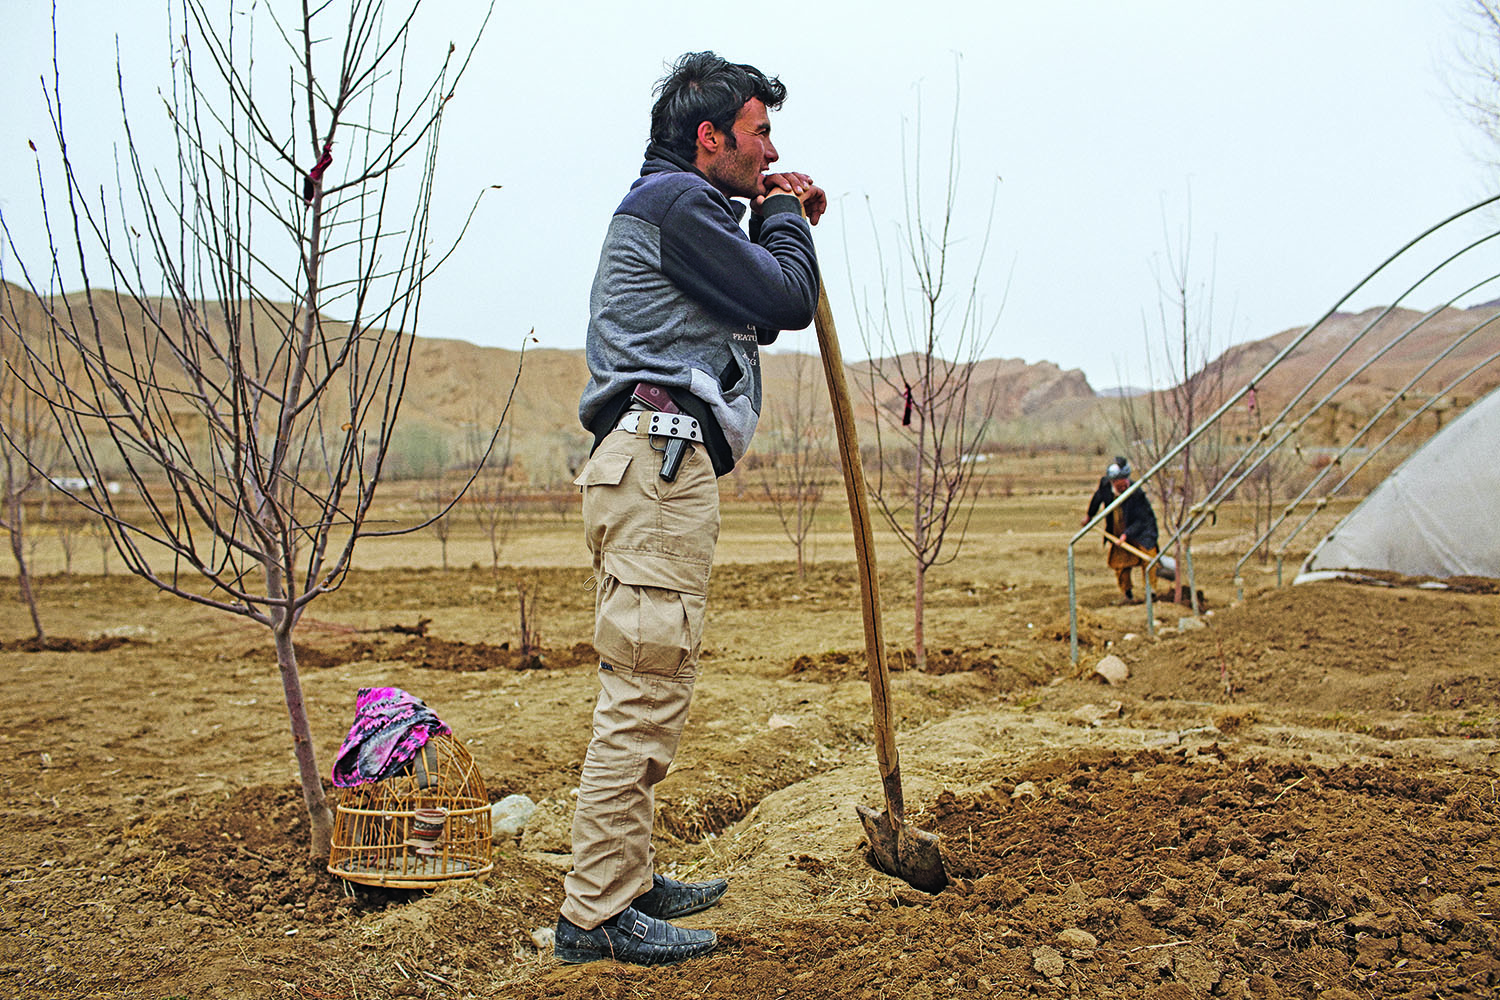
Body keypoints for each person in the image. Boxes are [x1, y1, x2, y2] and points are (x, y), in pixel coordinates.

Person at [554, 51, 826, 967]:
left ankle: (626, 876)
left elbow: (764, 291)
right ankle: (594, 913)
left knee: (651, 676)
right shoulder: (678, 207)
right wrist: (783, 214)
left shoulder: (685, 210)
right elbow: (786, 298)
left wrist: (771, 217)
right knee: (642, 687)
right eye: (759, 133)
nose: (770, 148)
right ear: (709, 137)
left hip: (653, 469)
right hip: (657, 471)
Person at [1086, 458, 1159, 604]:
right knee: (1120, 563)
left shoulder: (1136, 492)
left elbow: (1142, 519)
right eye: (1120, 483)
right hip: (1117, 529)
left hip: (1140, 530)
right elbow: (1097, 498)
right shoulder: (1105, 486)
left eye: (1126, 481)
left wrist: (1127, 534)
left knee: (1148, 558)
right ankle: (1127, 594)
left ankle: (1151, 592)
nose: (1124, 484)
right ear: (1113, 482)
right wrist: (1089, 515)